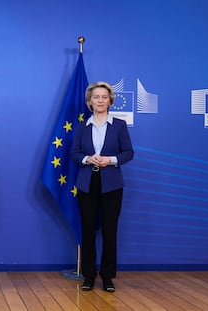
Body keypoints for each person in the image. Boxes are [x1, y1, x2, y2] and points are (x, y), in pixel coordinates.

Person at [71, 81, 133, 293]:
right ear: (90, 101)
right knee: (87, 231)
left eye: (104, 97)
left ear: (110, 101)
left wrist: (111, 160)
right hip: (87, 184)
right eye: (96, 97)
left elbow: (128, 152)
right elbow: (75, 153)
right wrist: (89, 158)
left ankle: (107, 277)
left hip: (112, 185)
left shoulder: (119, 125)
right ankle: (88, 276)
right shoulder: (82, 126)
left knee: (110, 231)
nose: (100, 100)